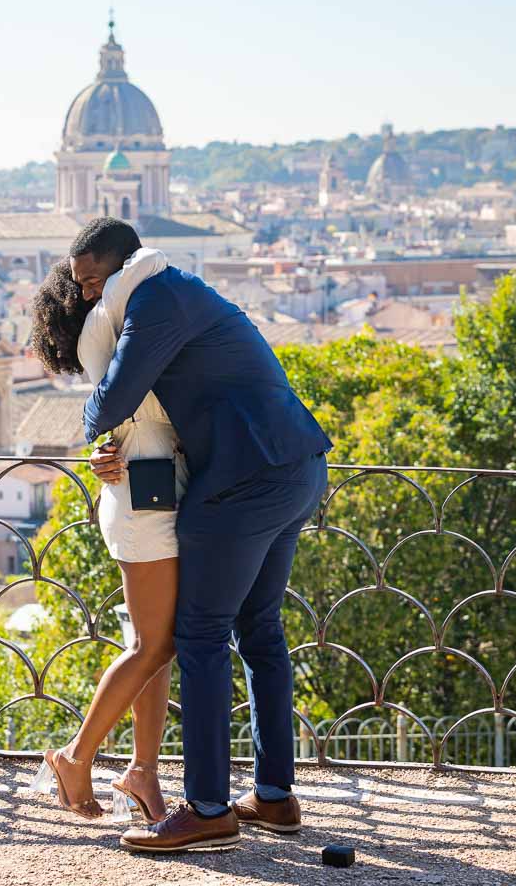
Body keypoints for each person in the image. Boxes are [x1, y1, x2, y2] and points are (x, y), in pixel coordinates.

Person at [78, 218, 333, 854]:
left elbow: (112, 401)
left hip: (244, 483)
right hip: (298, 465)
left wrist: (90, 434)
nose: (87, 296)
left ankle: (209, 809)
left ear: (115, 270)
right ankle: (275, 798)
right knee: (262, 633)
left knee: (198, 636)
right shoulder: (186, 287)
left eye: (89, 281)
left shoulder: (152, 300)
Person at [28, 225, 186, 822]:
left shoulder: (122, 326)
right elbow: (148, 262)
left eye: (97, 279)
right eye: (85, 283)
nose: (95, 291)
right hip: (145, 498)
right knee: (155, 643)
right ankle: (76, 757)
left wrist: (100, 445)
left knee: (154, 647)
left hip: (147, 489)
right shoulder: (111, 320)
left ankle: (144, 773)